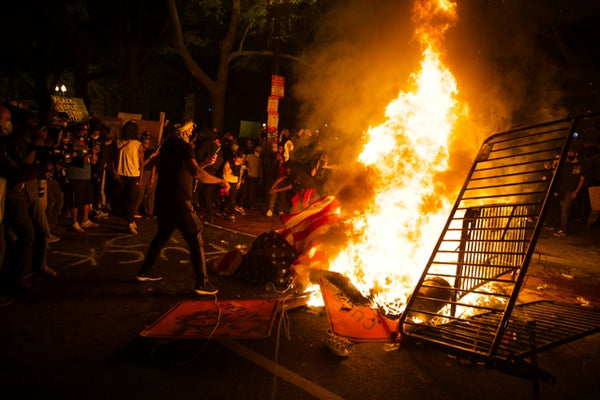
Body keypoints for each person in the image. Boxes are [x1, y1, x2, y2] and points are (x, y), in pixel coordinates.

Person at [136, 116, 229, 296]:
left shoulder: (169, 144)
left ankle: (145, 271)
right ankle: (202, 282)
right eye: (191, 130)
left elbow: (184, 169)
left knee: (161, 236)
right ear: (185, 129)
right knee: (196, 236)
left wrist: (204, 164)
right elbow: (196, 173)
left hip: (165, 199)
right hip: (179, 200)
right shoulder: (184, 147)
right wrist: (220, 181)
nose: (192, 134)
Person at [65, 122, 100, 233]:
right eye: (82, 130)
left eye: (86, 131)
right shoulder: (72, 144)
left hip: (86, 175)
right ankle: (74, 221)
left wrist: (93, 157)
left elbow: (89, 158)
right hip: (76, 175)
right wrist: (89, 154)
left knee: (87, 198)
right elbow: (74, 160)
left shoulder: (86, 143)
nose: (84, 133)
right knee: (75, 200)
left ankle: (85, 220)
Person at [117, 121, 144, 234]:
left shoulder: (138, 145)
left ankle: (130, 222)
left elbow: (141, 162)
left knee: (132, 199)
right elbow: (115, 152)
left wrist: (141, 177)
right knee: (125, 199)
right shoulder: (120, 142)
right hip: (122, 174)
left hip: (134, 175)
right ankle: (130, 219)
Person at [553, 149, 586, 237]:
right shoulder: (566, 165)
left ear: (576, 154)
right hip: (563, 190)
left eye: (571, 153)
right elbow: (557, 176)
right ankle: (563, 227)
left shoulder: (581, 165)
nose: (569, 155)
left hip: (572, 190)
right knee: (563, 209)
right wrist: (554, 166)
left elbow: (582, 179)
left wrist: (576, 191)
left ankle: (563, 229)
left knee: (565, 208)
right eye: (568, 153)